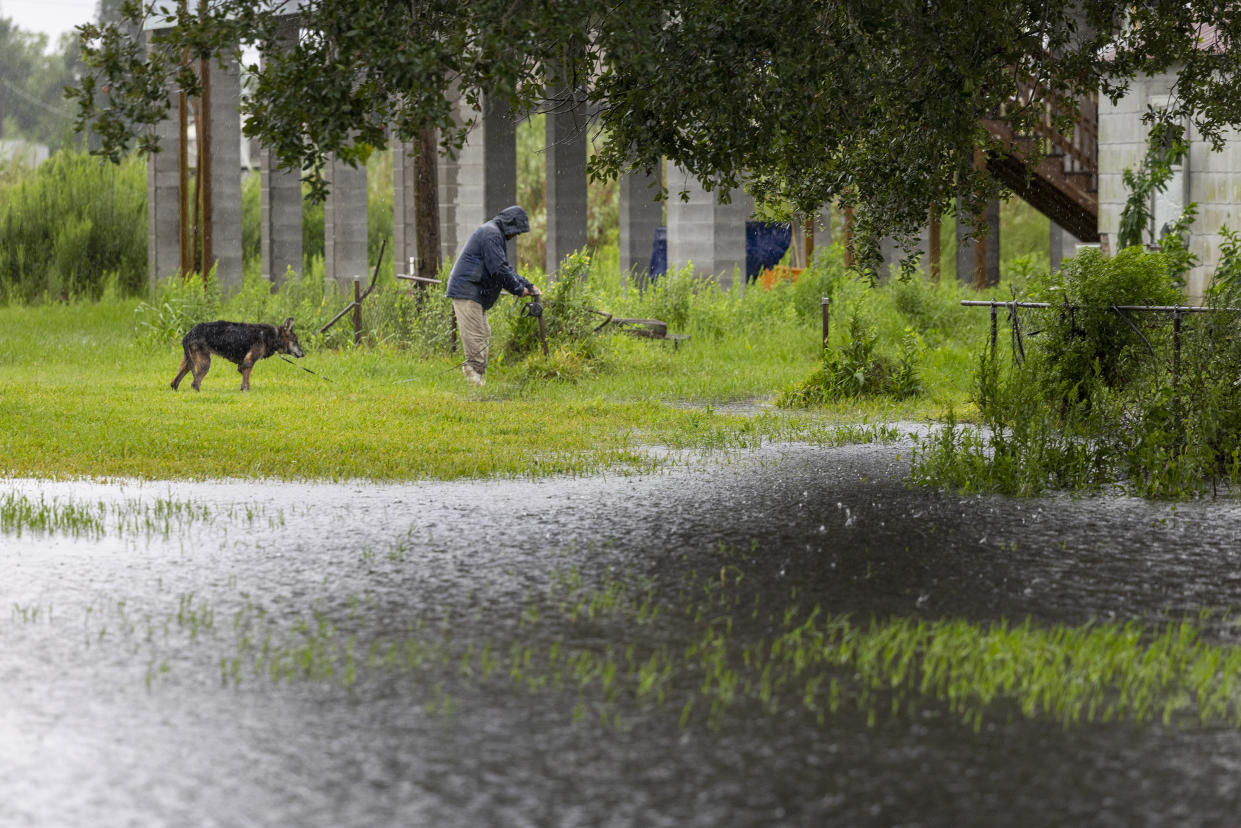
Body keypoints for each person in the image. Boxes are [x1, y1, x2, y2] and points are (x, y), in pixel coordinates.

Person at [445, 205, 540, 386]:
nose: (516, 236)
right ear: (511, 224)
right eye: (517, 231)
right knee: (477, 336)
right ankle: (474, 382)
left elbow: (504, 267)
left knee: (484, 332)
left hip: (472, 292)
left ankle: (476, 378)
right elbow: (498, 270)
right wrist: (519, 290)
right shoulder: (492, 234)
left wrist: (527, 284)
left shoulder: (492, 233)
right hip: (468, 292)